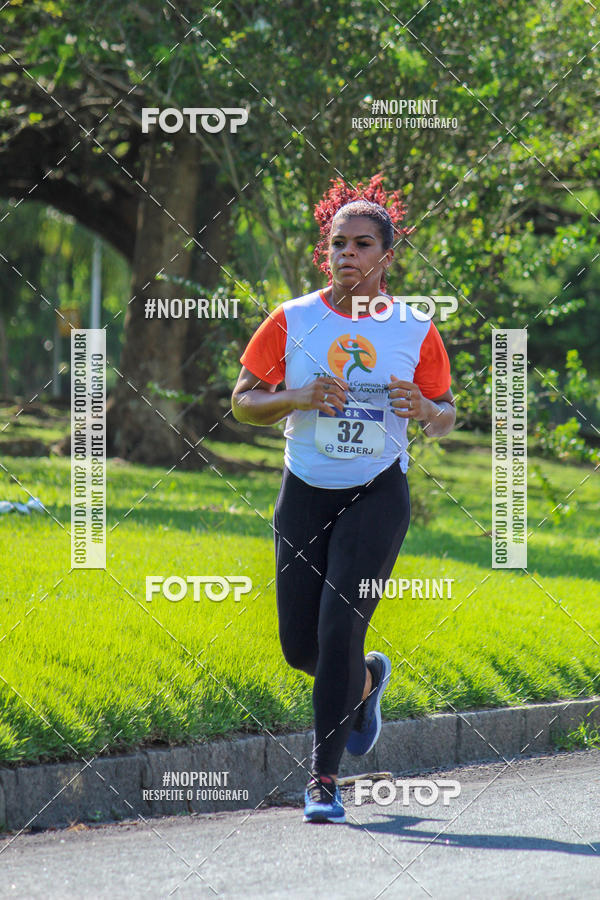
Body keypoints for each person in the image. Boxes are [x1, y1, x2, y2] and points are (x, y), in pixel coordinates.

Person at [231, 174, 456, 824]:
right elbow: (242, 402)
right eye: (338, 243)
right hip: (304, 491)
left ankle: (323, 783)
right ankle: (367, 681)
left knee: (338, 631)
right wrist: (296, 397)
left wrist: (425, 411)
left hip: (376, 492)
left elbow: (446, 413)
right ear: (325, 251)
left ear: (387, 256)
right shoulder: (293, 319)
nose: (348, 254)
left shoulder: (413, 327)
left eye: (362, 244)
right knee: (300, 649)